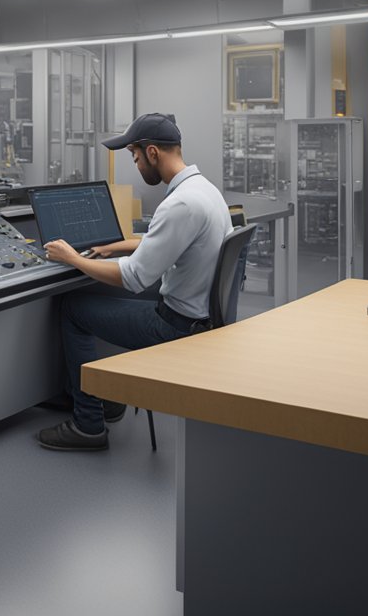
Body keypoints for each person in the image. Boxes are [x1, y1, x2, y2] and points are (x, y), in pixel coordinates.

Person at [37, 113, 232, 451]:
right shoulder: (203, 190)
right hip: (200, 313)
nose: (137, 164)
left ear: (153, 152)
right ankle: (109, 395)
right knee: (98, 288)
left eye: (135, 156)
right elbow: (168, 242)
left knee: (73, 307)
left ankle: (88, 424)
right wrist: (114, 246)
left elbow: (134, 277)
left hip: (176, 325)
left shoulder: (180, 204)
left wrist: (73, 258)